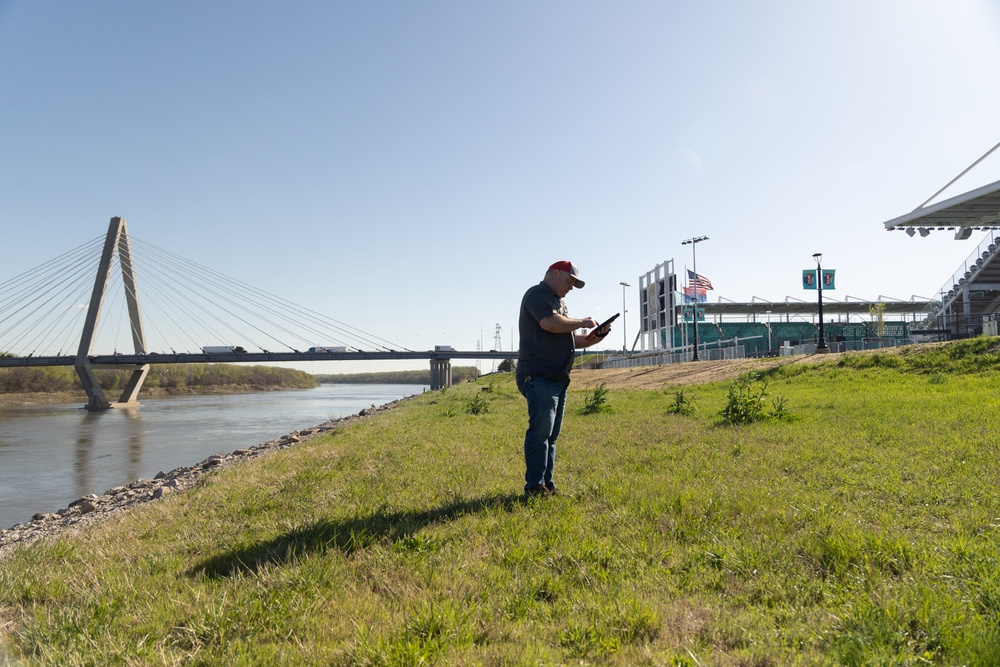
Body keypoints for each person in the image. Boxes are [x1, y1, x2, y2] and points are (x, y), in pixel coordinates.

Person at [516, 260, 612, 498]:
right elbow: (549, 324)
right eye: (569, 281)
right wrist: (582, 322)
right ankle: (534, 487)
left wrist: (595, 337)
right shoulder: (537, 295)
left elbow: (571, 339)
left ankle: (547, 485)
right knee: (540, 432)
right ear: (554, 274)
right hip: (538, 375)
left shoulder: (561, 304)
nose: (571, 287)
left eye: (574, 283)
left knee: (551, 436)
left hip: (558, 378)